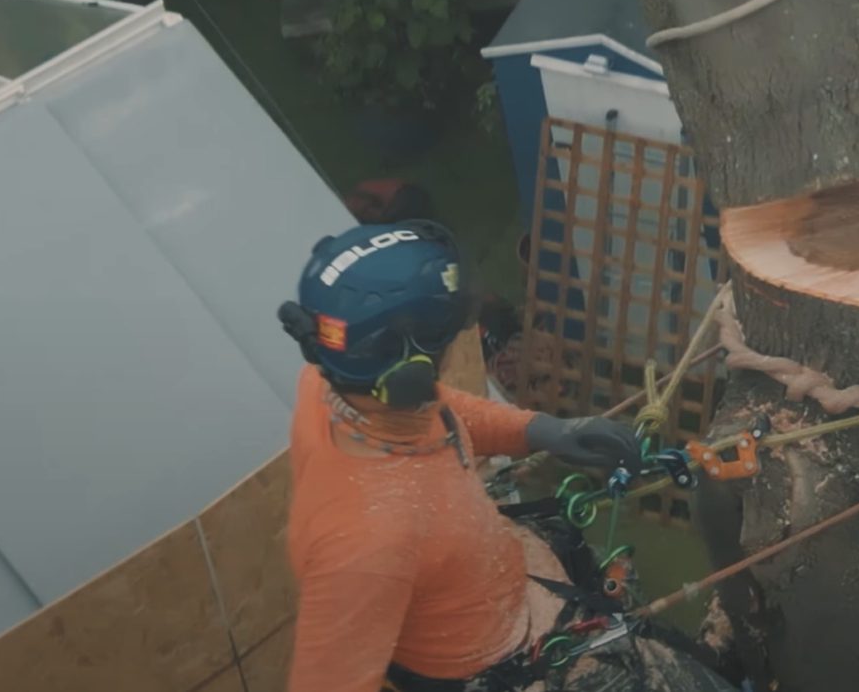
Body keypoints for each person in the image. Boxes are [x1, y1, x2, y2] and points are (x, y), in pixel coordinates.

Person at [276, 221, 646, 692]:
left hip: (495, 589)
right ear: (408, 369)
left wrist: (537, 429)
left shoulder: (336, 388)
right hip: (490, 670)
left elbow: (438, 410)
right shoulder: (365, 546)